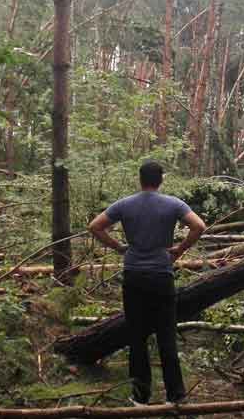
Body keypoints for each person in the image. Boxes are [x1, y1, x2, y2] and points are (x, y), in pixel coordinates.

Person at [87, 160, 206, 405]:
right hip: (162, 276)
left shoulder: (125, 204)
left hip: (134, 276)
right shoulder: (173, 204)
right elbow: (199, 226)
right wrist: (179, 250)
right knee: (166, 336)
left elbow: (95, 226)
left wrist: (119, 247)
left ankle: (140, 396)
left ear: (140, 179)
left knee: (137, 336)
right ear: (160, 179)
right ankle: (176, 396)